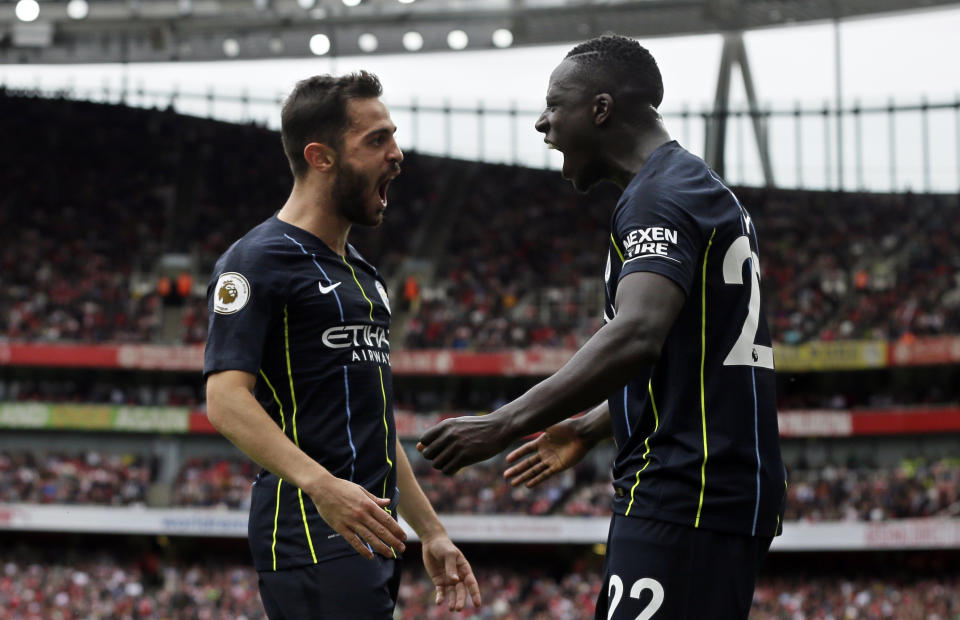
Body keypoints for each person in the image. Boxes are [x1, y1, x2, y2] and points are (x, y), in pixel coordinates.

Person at [418, 35, 786, 619]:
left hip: (683, 494)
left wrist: (503, 423)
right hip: (707, 494)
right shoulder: (696, 186)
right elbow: (688, 354)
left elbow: (639, 334)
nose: (543, 123)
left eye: (554, 105)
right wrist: (592, 426)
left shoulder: (658, 197)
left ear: (601, 109)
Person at [204, 71, 481, 619]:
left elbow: (375, 425)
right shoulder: (255, 261)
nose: (397, 154)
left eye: (394, 137)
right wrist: (323, 486)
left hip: (371, 534)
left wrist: (430, 532)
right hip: (309, 531)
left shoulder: (365, 275)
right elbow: (225, 399)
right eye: (376, 140)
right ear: (321, 156)